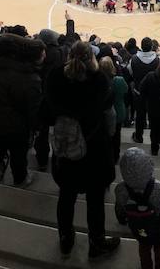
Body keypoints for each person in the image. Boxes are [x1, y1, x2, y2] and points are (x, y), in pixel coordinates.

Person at [47, 42, 121, 260]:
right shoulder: (99, 80)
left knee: (66, 196)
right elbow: (108, 118)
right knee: (95, 200)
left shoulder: (54, 76)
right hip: (94, 150)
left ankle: (65, 239)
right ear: (91, 58)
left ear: (69, 55)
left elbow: (47, 109)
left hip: (66, 147)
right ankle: (96, 243)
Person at [0, 29, 44, 186]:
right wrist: (36, 126)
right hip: (18, 124)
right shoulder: (28, 76)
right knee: (18, 152)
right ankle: (20, 178)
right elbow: (32, 107)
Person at [114, 148, 160, 269]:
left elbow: (120, 210)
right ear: (149, 166)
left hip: (138, 228)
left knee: (143, 247)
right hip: (159, 229)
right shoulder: (159, 188)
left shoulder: (120, 189)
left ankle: (146, 266)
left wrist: (122, 219)